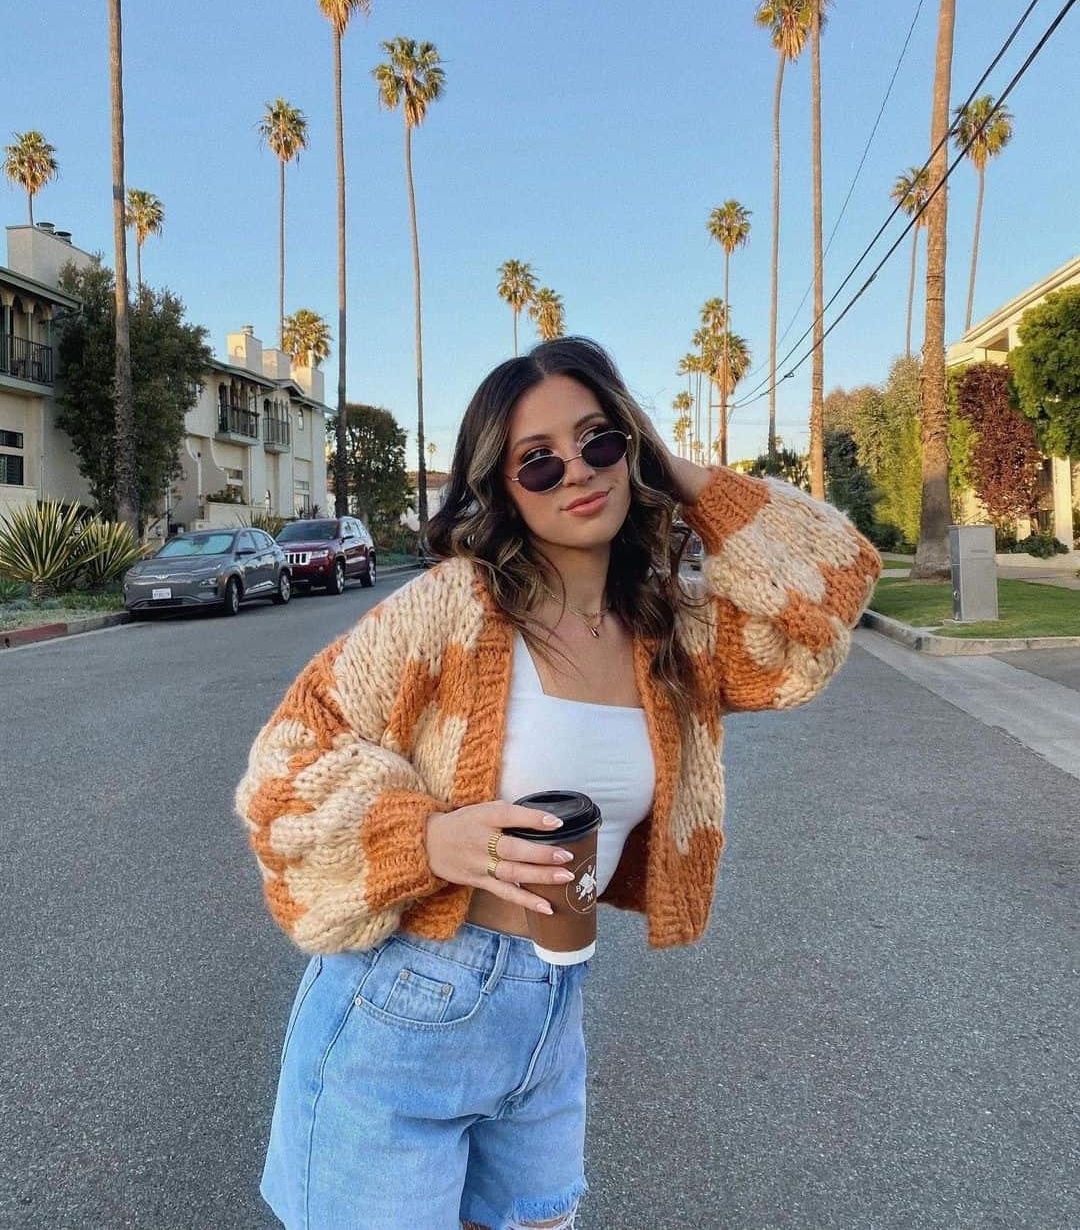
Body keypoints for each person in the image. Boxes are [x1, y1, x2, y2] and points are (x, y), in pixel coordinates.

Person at [234, 337, 881, 1229]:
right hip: (402, 1006)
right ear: (503, 489)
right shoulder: (452, 608)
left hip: (550, 1014)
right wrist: (426, 837)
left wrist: (682, 472)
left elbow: (830, 594)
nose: (576, 469)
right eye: (536, 462)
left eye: (600, 440)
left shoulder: (671, 631)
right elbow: (285, 761)